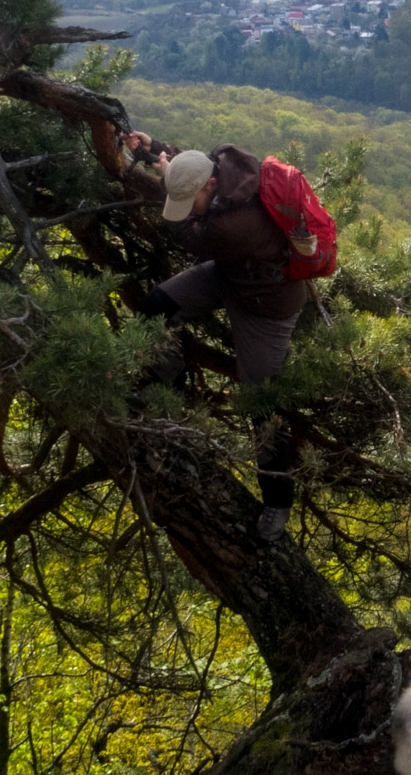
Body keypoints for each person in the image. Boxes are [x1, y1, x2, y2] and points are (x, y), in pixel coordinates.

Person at [126, 131, 306, 541]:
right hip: (231, 276)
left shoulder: (236, 225)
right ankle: (169, 385)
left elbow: (188, 234)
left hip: (266, 308)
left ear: (209, 186)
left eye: (191, 201)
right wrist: (155, 150)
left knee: (261, 402)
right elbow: (186, 166)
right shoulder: (223, 166)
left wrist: (166, 173)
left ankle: (277, 502)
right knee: (157, 306)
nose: (187, 208)